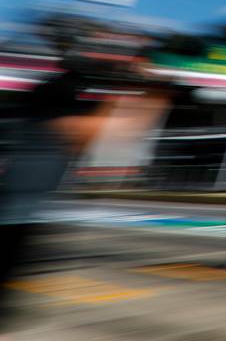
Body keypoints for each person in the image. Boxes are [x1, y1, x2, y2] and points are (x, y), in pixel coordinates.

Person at [0, 26, 177, 328]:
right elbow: (102, 132)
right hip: (12, 212)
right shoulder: (57, 91)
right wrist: (156, 94)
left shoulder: (60, 88)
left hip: (21, 212)